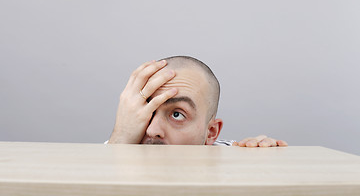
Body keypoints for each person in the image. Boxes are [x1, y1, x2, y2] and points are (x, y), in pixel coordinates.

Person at [108, 56, 287, 147]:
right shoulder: (117, 146)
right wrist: (120, 139)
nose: (153, 130)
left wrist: (264, 160)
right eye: (147, 109)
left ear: (210, 133)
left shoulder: (228, 154)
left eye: (177, 114)